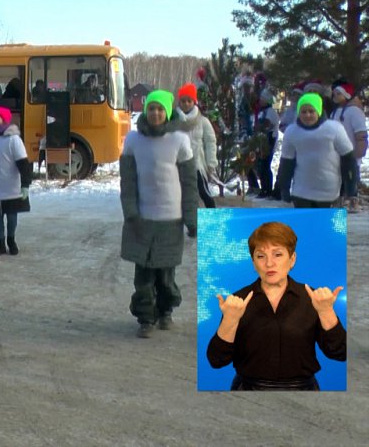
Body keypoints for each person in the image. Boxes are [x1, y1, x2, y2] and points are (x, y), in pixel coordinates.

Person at [206, 222, 346, 390]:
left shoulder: (314, 299)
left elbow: (340, 353)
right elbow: (216, 360)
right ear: (253, 262)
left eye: (278, 254)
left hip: (303, 390)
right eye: (261, 256)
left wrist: (325, 311)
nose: (269, 264)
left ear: (292, 259)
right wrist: (230, 319)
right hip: (248, 390)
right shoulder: (238, 301)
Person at [119, 90, 196, 338]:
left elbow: (189, 183)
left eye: (160, 109)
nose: (155, 113)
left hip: (170, 219)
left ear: (168, 111)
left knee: (165, 275)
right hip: (141, 218)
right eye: (151, 108)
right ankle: (145, 318)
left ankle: (165, 312)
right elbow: (128, 180)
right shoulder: (132, 141)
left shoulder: (179, 141)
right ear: (145, 110)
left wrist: (191, 217)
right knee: (143, 275)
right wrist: (129, 210)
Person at [278, 93, 356, 208]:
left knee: (330, 226)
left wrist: (350, 189)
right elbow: (286, 162)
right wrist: (284, 187)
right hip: (301, 192)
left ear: (319, 111)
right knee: (304, 226)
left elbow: (348, 160)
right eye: (303, 112)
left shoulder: (334, 128)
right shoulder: (291, 131)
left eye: (311, 111)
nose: (307, 115)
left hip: (330, 193)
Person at [0, 107, 32, 256]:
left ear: (5, 119)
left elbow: (23, 163)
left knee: (11, 216)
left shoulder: (13, 139)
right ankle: (0, 244)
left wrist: (25, 184)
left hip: (12, 185)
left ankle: (11, 241)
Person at [174, 83, 218, 209]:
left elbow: (210, 142)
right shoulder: (174, 121)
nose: (186, 104)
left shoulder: (202, 121)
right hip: (179, 166)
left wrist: (211, 163)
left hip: (197, 166)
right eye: (183, 101)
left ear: (194, 102)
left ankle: (213, 221)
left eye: (189, 101)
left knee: (205, 194)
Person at [329, 83, 367, 213]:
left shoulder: (354, 111)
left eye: (338, 93)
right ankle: (338, 200)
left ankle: (352, 200)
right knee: (337, 177)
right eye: (334, 93)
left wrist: (360, 148)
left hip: (350, 151)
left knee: (351, 177)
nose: (335, 96)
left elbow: (360, 131)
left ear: (346, 94)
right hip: (335, 152)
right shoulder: (334, 111)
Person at [253, 89, 279, 198]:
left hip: (269, 141)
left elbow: (267, 124)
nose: (261, 101)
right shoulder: (262, 111)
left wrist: (260, 126)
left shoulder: (271, 111)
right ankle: (263, 188)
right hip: (261, 141)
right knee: (260, 165)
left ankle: (267, 189)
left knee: (265, 165)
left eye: (263, 99)